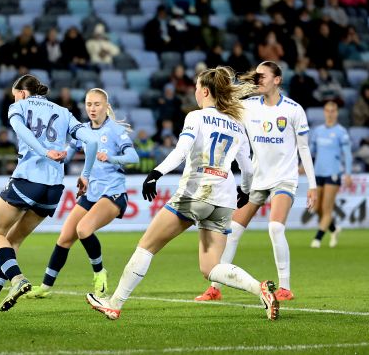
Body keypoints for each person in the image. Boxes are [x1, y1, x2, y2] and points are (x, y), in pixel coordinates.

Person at [86, 67, 279, 321]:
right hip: (224, 199)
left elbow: (181, 151)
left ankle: (114, 303)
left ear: (206, 91)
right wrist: (244, 191)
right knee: (210, 267)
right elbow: (247, 165)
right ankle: (260, 288)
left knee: (147, 246)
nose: (195, 91)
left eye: (197, 87)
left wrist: (156, 173)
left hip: (195, 193)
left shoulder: (196, 117)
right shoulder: (236, 124)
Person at [0, 74, 99, 315]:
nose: (14, 98)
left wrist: (44, 151)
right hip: (53, 189)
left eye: (14, 94)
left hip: (27, 180)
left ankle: (17, 279)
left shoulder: (18, 106)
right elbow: (92, 142)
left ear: (21, 92)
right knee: (12, 241)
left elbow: (22, 131)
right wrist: (86, 175)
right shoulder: (62, 111)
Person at [196, 61, 317, 303]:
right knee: (232, 231)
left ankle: (285, 287)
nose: (258, 79)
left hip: (284, 179)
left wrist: (312, 185)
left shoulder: (294, 110)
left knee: (275, 227)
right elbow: (223, 108)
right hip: (257, 180)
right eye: (257, 76)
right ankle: (215, 288)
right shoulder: (248, 107)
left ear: (277, 80)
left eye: (263, 76)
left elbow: (304, 149)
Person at [26, 88, 139, 299]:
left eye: (97, 104)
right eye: (89, 104)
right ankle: (45, 286)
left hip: (113, 193)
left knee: (84, 229)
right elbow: (68, 154)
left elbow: (133, 157)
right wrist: (56, 155)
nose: (92, 109)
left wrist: (113, 158)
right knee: (65, 237)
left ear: (106, 106)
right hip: (91, 193)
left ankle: (100, 274)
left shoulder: (114, 130)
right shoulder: (83, 130)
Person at [309, 101, 352, 248]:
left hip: (333, 173)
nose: (330, 113)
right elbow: (311, 151)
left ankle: (318, 238)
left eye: (333, 111)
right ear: (324, 112)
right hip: (318, 172)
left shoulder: (341, 132)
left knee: (327, 208)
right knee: (316, 208)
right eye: (328, 110)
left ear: (337, 113)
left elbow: (347, 155)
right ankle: (333, 228)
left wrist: (348, 173)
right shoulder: (318, 131)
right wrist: (303, 166)